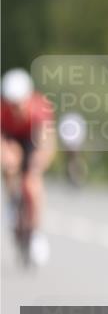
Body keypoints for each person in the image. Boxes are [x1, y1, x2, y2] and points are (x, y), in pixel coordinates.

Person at [1, 68, 56, 264]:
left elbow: (47, 140)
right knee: (9, 163)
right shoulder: (3, 110)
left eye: (18, 104)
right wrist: (5, 155)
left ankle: (35, 233)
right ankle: (11, 200)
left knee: (33, 185)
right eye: (11, 104)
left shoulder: (40, 108)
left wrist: (41, 159)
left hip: (33, 140)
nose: (15, 108)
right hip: (10, 138)